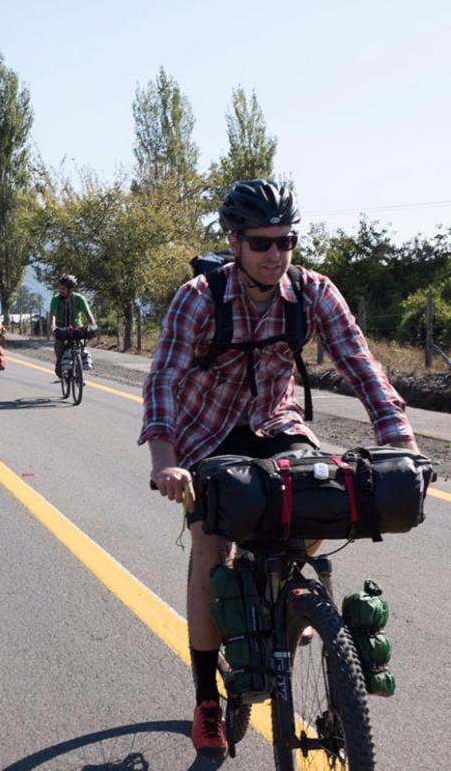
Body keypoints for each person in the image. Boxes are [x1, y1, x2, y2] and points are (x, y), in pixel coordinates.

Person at [140, 179, 419, 754]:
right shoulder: (199, 297)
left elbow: (361, 365)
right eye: (262, 243)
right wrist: (166, 460)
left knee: (322, 502)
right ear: (234, 241)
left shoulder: (313, 292)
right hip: (206, 432)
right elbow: (163, 378)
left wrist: (402, 443)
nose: (275, 254)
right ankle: (208, 702)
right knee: (212, 546)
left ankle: (292, 605)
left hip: (277, 422)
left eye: (286, 241)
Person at [48, 274, 96, 378]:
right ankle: (59, 363)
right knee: (59, 346)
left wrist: (93, 324)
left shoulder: (79, 299)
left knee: (81, 345)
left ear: (70, 290)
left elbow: (88, 313)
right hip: (62, 328)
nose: (60, 290)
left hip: (76, 327)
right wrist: (53, 326)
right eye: (60, 288)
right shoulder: (55, 299)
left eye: (63, 288)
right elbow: (53, 315)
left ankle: (79, 369)